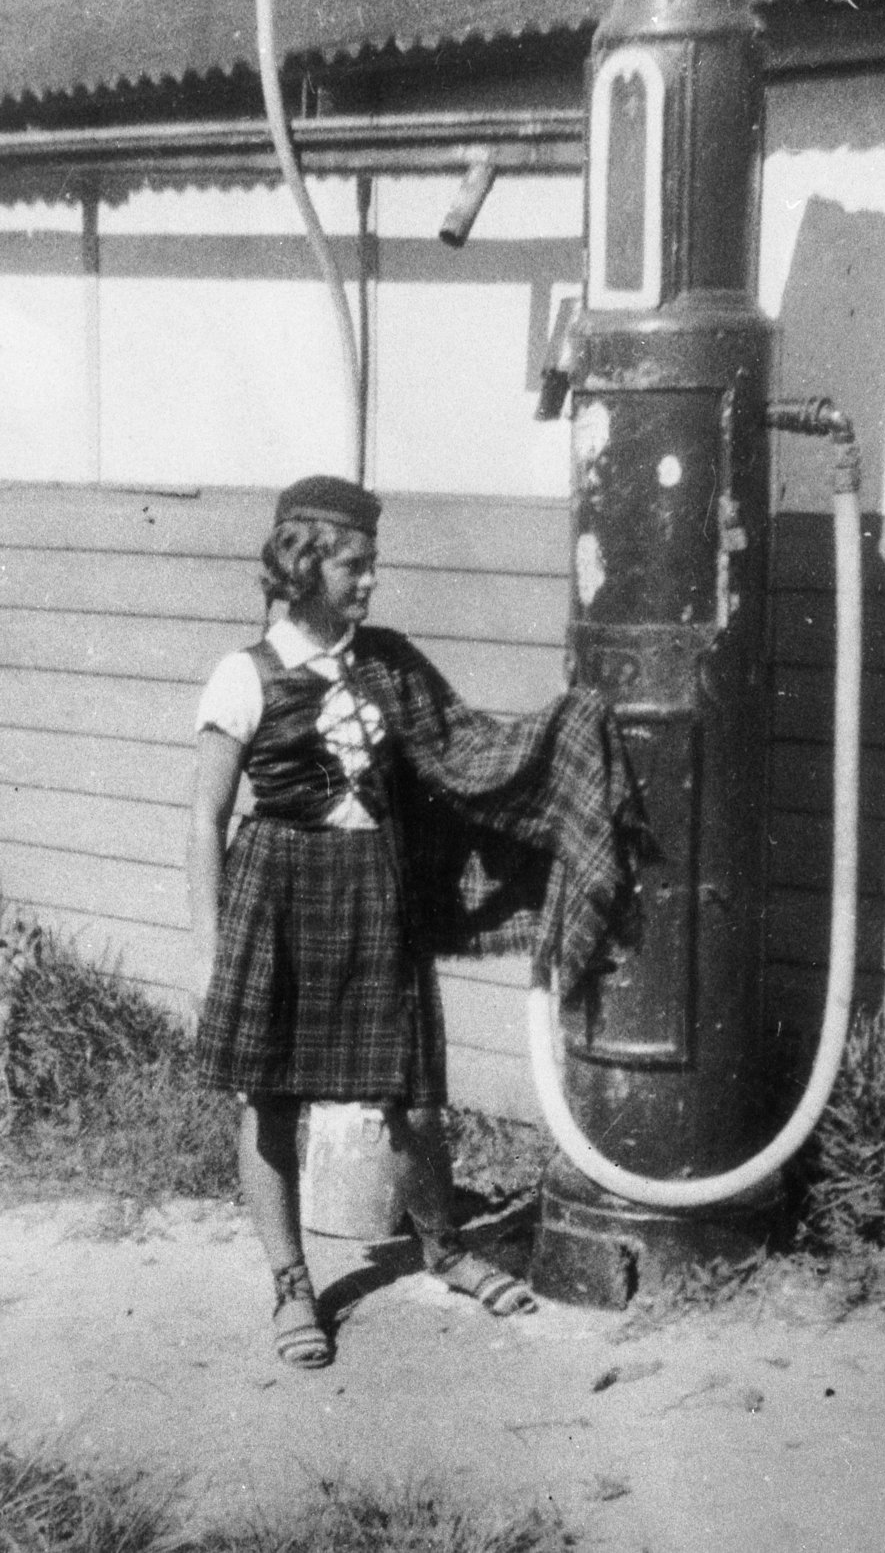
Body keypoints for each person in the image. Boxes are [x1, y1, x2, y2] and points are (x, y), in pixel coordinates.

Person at [188, 474, 644, 1369]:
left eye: (372, 565)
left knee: (414, 1091)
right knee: (273, 1099)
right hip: (278, 898)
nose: (369, 581)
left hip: (375, 890)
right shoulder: (244, 674)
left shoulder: (388, 662)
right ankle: (292, 1284)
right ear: (305, 561)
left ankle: (445, 1248)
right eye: (355, 565)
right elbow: (205, 816)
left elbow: (469, 751)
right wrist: (206, 950)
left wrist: (568, 729)